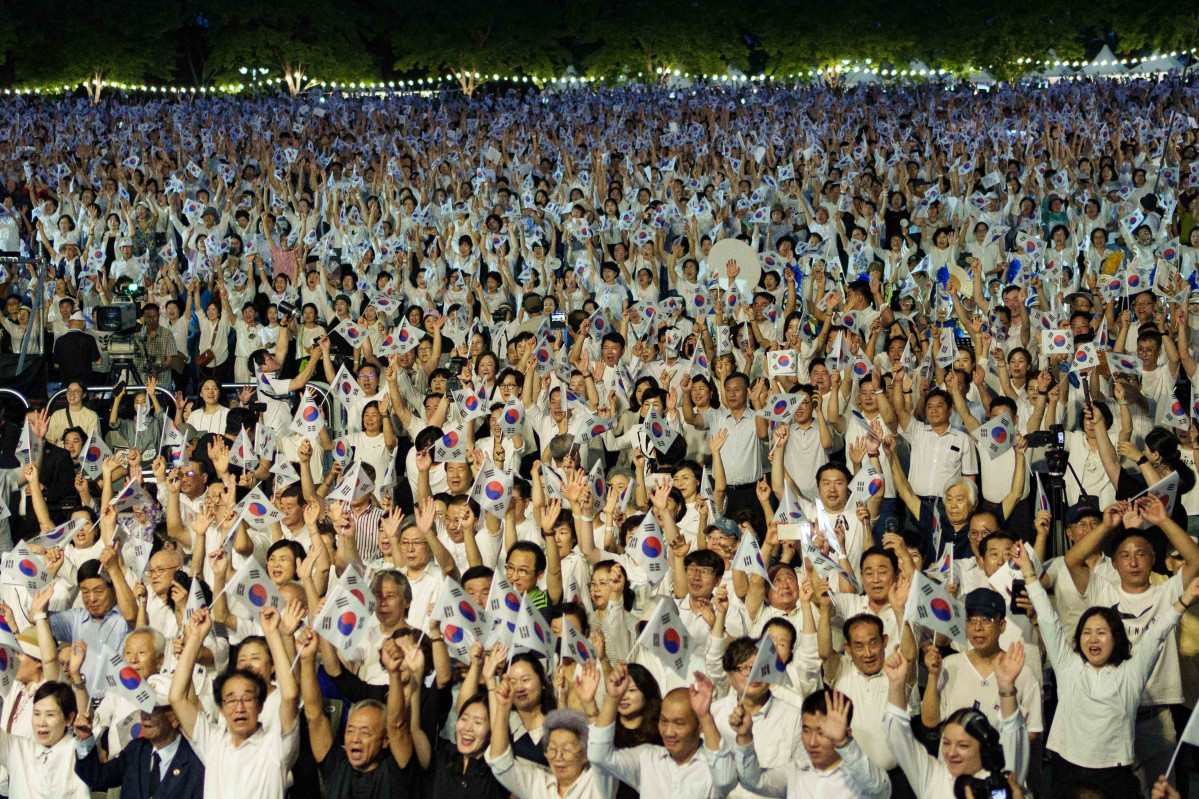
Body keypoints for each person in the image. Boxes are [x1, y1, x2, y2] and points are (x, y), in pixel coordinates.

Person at [1018, 540, 1195, 798]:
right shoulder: (1067, 665)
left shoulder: (1131, 672)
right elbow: (1047, 619)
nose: (1093, 639)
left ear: (1116, 638)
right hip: (1069, 768)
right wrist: (1028, 573)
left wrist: (1184, 600)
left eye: (1102, 632)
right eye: (1087, 633)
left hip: (1115, 774)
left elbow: (1157, 633)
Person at [168, 607, 299, 799]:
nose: (239, 707)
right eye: (230, 700)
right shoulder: (213, 743)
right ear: (221, 708)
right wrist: (195, 638)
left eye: (247, 699)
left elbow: (290, 695)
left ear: (260, 705)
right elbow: (176, 698)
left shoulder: (275, 747)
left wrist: (272, 634)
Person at [587, 663, 736, 799]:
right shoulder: (647, 758)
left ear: (699, 726)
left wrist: (705, 716)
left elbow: (725, 779)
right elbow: (598, 756)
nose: (669, 732)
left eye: (679, 723)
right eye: (664, 721)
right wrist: (613, 698)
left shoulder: (712, 765)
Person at [729, 689, 890, 799]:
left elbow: (878, 789)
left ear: (846, 732)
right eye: (806, 730)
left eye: (822, 733)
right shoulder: (795, 771)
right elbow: (753, 781)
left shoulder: (863, 777)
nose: (812, 742)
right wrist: (744, 736)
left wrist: (843, 743)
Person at [74, 674, 205, 799]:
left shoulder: (196, 759)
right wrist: (85, 739)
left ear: (175, 717)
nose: (145, 715)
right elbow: (98, 778)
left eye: (155, 709)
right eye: (143, 706)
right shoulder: (136, 749)